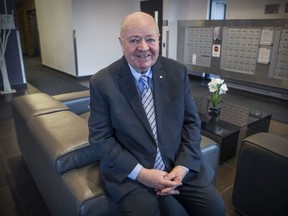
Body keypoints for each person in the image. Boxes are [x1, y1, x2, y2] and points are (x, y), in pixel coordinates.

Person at [88, 11, 225, 216]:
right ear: (121, 42)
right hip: (134, 173)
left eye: (150, 39)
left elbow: (191, 123)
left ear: (158, 39)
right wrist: (142, 174)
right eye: (134, 40)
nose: (143, 47)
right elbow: (101, 139)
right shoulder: (102, 83)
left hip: (179, 165)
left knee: (215, 210)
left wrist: (182, 168)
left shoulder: (177, 72)